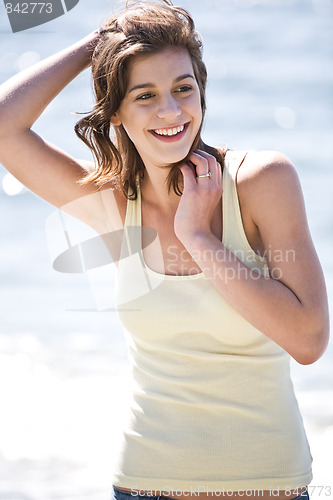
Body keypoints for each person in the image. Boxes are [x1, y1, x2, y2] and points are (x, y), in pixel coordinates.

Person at [0, 0, 329, 499]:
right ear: (115, 111)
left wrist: (198, 238)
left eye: (182, 88)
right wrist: (102, 43)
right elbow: (5, 128)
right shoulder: (114, 204)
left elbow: (308, 340)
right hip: (143, 486)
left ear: (201, 91)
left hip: (269, 486)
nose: (171, 111)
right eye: (144, 95)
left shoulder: (261, 181)